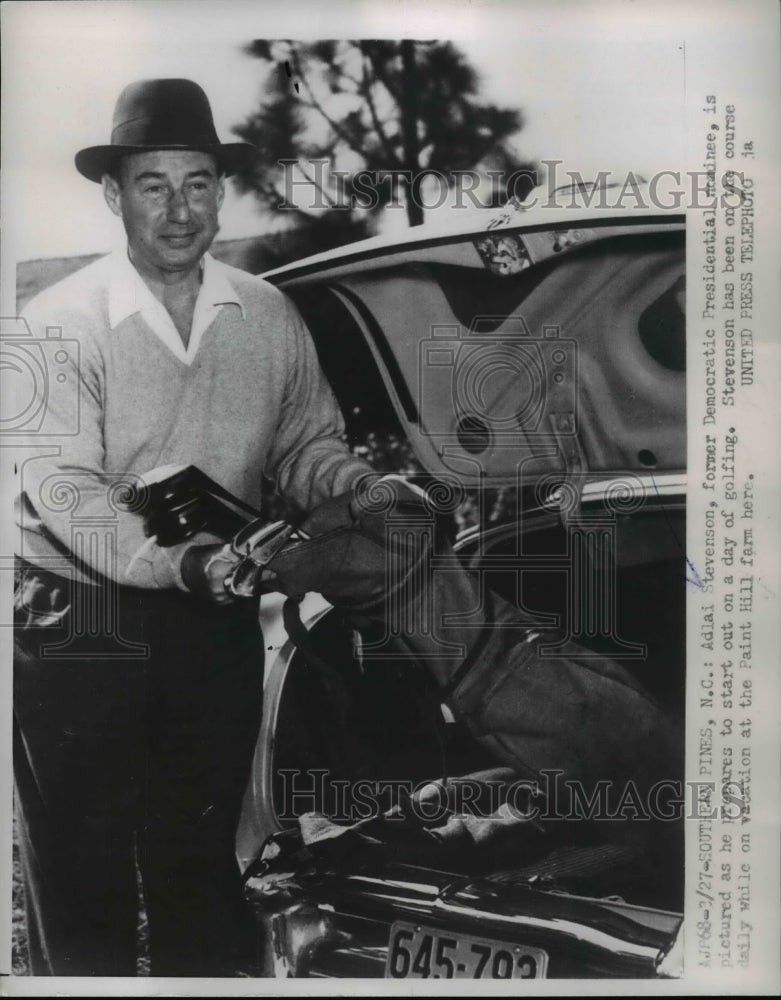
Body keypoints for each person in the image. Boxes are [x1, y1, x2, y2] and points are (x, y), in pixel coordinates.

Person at [12, 78, 370, 978]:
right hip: (78, 620)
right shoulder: (58, 323)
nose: (179, 209)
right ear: (114, 193)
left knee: (201, 866)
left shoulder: (266, 313)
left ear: (221, 190)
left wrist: (361, 487)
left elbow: (306, 443)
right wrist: (181, 562)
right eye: (153, 185)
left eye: (198, 183)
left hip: (209, 615)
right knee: (83, 874)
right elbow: (63, 492)